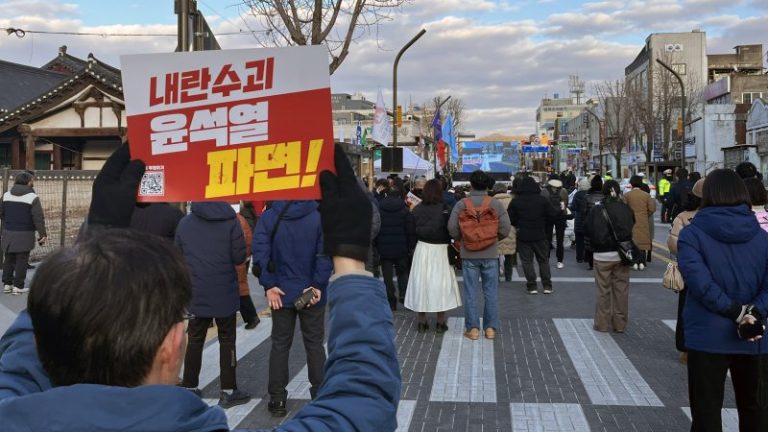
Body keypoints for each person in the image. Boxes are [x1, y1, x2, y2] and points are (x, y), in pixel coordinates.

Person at [0, 143, 401, 431]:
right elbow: (362, 397)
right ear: (171, 345)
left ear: (40, 343)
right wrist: (349, 263)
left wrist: (94, 251)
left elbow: (26, 351)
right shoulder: (232, 223)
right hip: (272, 293)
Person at [677, 169, 768, 430]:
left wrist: (735, 311)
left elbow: (700, 284)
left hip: (706, 336)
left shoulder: (692, 235)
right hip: (755, 336)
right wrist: (754, 313)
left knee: (706, 414)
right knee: (756, 413)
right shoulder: (763, 238)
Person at [252, 200, 333, 416]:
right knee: (315, 345)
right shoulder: (318, 215)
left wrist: (269, 285)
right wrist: (317, 285)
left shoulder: (268, 217)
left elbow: (260, 254)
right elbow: (325, 254)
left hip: (281, 292)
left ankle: (277, 401)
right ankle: (320, 396)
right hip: (311, 294)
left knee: (280, 345)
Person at [176, 201, 250, 408]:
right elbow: (239, 257)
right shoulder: (232, 222)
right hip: (224, 289)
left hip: (196, 289)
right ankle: (228, 390)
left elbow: (178, 255)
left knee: (195, 338)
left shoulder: (185, 223)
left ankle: (190, 386)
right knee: (227, 340)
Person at [448, 170, 511, 340]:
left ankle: (473, 329)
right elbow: (505, 227)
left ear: (472, 184)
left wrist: (463, 239)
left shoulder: (462, 203)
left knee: (470, 292)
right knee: (491, 292)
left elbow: (452, 228)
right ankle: (490, 329)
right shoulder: (495, 203)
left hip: (469, 254)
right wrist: (492, 239)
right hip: (490, 253)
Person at [405, 179, 462, 333]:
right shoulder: (445, 208)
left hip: (422, 248)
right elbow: (452, 229)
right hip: (441, 250)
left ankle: (421, 321)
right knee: (441, 285)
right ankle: (440, 321)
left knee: (421, 284)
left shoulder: (416, 209)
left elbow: (411, 231)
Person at [584, 180, 635, 333]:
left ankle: (602, 324)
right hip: (622, 254)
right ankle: (620, 324)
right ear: (618, 191)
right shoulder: (626, 208)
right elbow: (632, 224)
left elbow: (587, 229)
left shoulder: (597, 209)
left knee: (603, 290)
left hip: (601, 255)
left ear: (604, 192)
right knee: (621, 290)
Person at [667, 178, 704, 364]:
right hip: (716, 273)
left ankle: (686, 348)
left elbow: (674, 244)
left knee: (685, 309)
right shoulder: (724, 216)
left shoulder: (683, 217)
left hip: (689, 272)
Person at [507, 176, 558, 295]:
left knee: (527, 261)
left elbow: (510, 218)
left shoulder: (516, 201)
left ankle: (532, 286)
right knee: (543, 260)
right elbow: (552, 214)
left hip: (523, 235)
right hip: (540, 234)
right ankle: (547, 286)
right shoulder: (542, 200)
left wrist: (518, 224)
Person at [0, 172, 47, 295]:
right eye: (32, 180)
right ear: (28, 182)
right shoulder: (32, 197)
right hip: (25, 233)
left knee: (8, 258)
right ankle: (18, 287)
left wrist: (8, 222)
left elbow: (1, 213)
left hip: (8, 232)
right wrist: (43, 234)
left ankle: (7, 285)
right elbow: (38, 217)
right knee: (21, 259)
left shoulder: (6, 195)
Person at [375, 179, 415, 310]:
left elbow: (377, 227)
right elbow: (410, 230)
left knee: (387, 276)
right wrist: (410, 246)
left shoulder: (380, 207)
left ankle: (390, 299)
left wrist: (377, 245)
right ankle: (403, 295)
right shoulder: (404, 209)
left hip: (384, 247)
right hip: (401, 247)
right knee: (402, 273)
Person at [624, 175, 656, 271]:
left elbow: (624, 208)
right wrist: (646, 215)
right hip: (643, 220)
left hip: (630, 221)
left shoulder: (627, 195)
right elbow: (652, 208)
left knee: (633, 240)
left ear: (631, 184)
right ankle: (642, 261)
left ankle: (633, 262)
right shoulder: (646, 195)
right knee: (642, 241)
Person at [236, 213, 260, 330]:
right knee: (239, 289)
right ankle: (251, 317)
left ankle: (252, 317)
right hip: (241, 258)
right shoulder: (239, 218)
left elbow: (246, 240)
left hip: (237, 260)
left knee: (240, 289)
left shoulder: (236, 220)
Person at [491, 182, 517, 282]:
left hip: (495, 230)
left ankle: (496, 276)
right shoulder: (512, 200)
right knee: (508, 254)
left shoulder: (491, 201)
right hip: (510, 230)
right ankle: (508, 277)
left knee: (495, 255)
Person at [542, 175, 569, 269]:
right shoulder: (564, 191)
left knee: (547, 239)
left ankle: (546, 259)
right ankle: (560, 261)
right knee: (560, 240)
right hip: (561, 217)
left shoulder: (544, 192)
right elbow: (566, 205)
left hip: (548, 218)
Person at [583, 176, 605, 270]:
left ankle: (591, 263)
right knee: (602, 242)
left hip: (590, 222)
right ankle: (601, 262)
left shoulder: (587, 196)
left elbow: (584, 211)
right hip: (603, 222)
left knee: (590, 242)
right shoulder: (605, 197)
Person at [569, 178, 591, 264]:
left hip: (578, 220)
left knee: (579, 241)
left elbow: (573, 207)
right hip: (588, 220)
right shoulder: (590, 194)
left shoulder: (577, 194)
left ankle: (579, 258)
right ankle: (587, 257)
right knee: (588, 240)